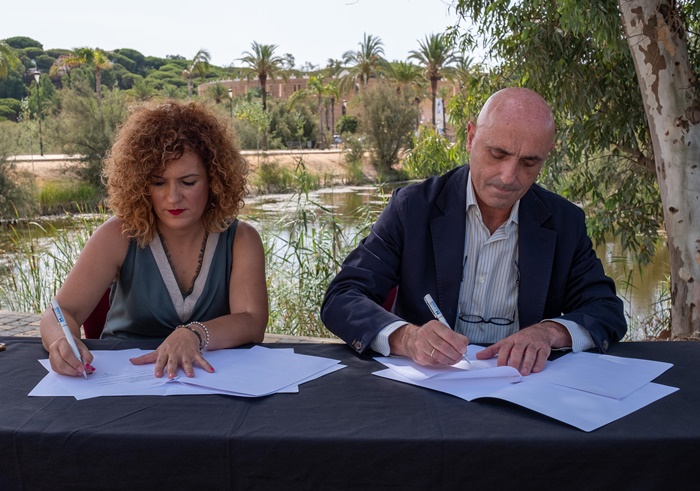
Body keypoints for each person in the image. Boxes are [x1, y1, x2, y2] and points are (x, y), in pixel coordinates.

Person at [321, 87, 626, 376]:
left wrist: (548, 332)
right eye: (497, 154)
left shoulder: (564, 222)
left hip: (525, 389)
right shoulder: (412, 209)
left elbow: (606, 310)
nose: (509, 177)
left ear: (546, 156)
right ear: (470, 137)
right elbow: (343, 297)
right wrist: (408, 338)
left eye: (529, 163)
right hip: (430, 386)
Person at [40, 100, 268, 378]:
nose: (173, 197)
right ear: (139, 182)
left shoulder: (241, 239)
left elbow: (252, 323)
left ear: (215, 180)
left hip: (211, 384)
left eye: (188, 182)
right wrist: (60, 341)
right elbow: (61, 311)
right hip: (120, 384)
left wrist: (195, 334)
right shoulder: (118, 235)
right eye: (158, 183)